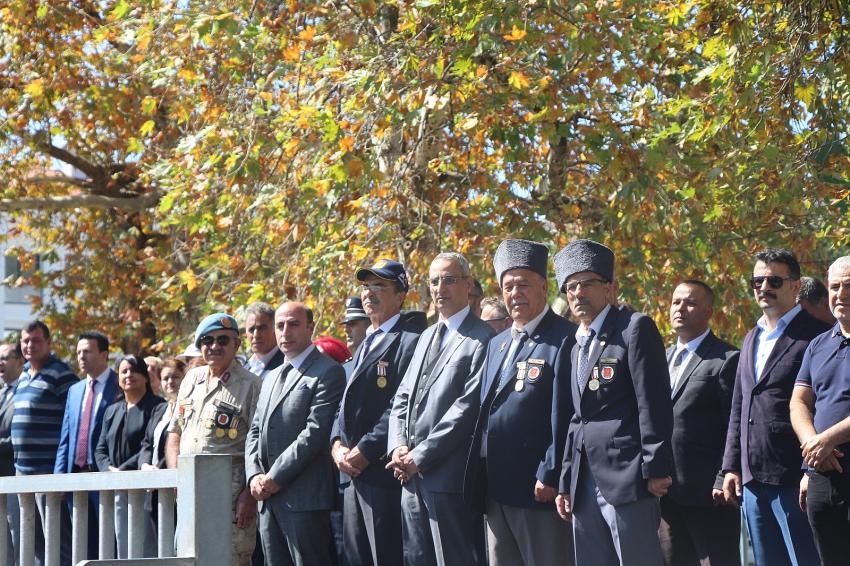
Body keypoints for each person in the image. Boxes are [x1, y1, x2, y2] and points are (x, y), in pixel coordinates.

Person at [554, 239, 673, 566]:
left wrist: (657, 465)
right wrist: (565, 481)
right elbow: (578, 419)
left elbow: (653, 401)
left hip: (628, 474)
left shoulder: (634, 328)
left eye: (587, 284)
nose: (578, 293)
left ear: (610, 288)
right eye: (571, 287)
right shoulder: (576, 345)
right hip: (584, 480)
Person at [464, 239, 576, 566]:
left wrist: (552, 472)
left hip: (538, 486)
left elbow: (566, 414)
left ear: (544, 287)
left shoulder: (565, 339)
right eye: (508, 287)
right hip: (496, 485)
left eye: (523, 285)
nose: (515, 294)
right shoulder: (496, 343)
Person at [721, 248, 828, 566]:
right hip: (753, 480)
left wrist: (811, 470)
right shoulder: (751, 337)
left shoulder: (817, 336)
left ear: (795, 287)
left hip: (795, 477)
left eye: (774, 281)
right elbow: (740, 405)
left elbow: (822, 407)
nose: (764, 287)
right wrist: (731, 466)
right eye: (757, 281)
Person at [387, 252, 495, 565]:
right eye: (434, 281)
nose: (440, 288)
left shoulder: (483, 339)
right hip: (409, 477)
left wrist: (420, 456)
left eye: (449, 279)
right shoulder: (424, 337)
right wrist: (397, 447)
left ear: (469, 285)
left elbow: (467, 409)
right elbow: (403, 397)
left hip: (448, 479)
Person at [331, 259, 420, 566]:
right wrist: (336, 445)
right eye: (366, 286)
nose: (369, 293)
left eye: (379, 286)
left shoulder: (410, 343)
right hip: (351, 472)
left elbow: (401, 404)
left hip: (381, 472)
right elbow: (343, 403)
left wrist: (365, 450)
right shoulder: (365, 343)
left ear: (400, 295)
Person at [246, 302, 346, 565]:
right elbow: (255, 430)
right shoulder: (271, 376)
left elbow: (315, 433)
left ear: (310, 327)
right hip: (268, 501)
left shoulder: (328, 372)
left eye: (294, 324)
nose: (285, 332)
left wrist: (274, 477)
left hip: (305, 500)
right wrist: (254, 475)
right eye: (280, 325)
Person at [166, 313, 262, 566]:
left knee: (229, 559)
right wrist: (177, 477)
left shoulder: (251, 385)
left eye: (223, 340)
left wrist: (249, 495)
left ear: (236, 345)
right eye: (207, 340)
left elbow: (260, 444)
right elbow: (174, 433)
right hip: (189, 491)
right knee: (188, 559)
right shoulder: (191, 379)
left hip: (229, 494)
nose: (214, 346)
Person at [660, 281, 741, 565]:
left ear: (708, 311)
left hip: (709, 494)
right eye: (676, 302)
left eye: (690, 303)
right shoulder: (661, 358)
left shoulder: (726, 359)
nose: (680, 308)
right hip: (666, 493)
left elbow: (735, 423)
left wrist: (725, 473)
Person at [790, 255, 850, 565]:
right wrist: (812, 454)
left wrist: (826, 441)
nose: (841, 294)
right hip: (822, 475)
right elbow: (799, 402)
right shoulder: (818, 345)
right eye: (835, 287)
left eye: (849, 286)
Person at [11, 320, 78, 566]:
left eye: (36, 340)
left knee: (56, 539)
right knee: (32, 539)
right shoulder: (23, 375)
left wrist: (61, 473)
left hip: (49, 472)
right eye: (25, 340)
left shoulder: (62, 373)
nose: (30, 345)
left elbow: (72, 423)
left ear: (49, 342)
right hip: (22, 471)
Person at [55, 331, 120, 560]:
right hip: (76, 478)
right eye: (79, 352)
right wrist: (59, 476)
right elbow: (66, 436)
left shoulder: (119, 385)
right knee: (81, 546)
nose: (81, 356)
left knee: (108, 544)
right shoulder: (75, 389)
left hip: (104, 477)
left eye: (87, 351)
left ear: (104, 355)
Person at [95, 355, 165, 558]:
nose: (128, 375)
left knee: (145, 545)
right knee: (122, 545)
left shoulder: (157, 406)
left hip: (144, 488)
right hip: (115, 486)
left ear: (145, 376)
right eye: (123, 371)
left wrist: (122, 471)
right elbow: (100, 448)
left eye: (134, 370)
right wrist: (108, 469)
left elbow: (148, 445)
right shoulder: (112, 410)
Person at [139, 358, 186, 556]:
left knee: (179, 547)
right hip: (155, 490)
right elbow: (146, 444)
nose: (170, 382)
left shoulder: (191, 407)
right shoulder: (159, 408)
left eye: (175, 377)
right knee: (160, 549)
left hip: (178, 489)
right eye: (165, 378)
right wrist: (144, 466)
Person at [0, 342, 23, 565]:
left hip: (15, 476)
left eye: (5, 358)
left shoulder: (25, 392)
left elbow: (19, 436)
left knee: (19, 539)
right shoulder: (2, 394)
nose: (1, 363)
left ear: (20, 361)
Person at [244, 302, 285, 380]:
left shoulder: (286, 365)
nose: (256, 335)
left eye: (262, 328)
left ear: (275, 329)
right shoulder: (244, 366)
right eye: (251, 329)